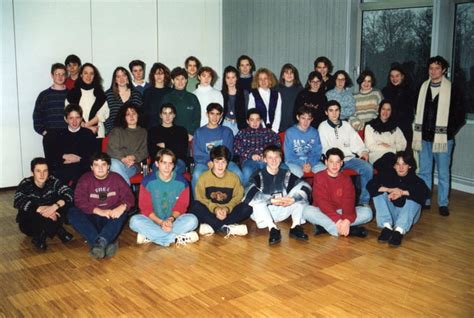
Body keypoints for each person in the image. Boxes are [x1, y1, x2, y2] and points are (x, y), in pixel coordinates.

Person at [413, 56, 465, 216]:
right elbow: (417, 111)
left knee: (443, 172)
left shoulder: (453, 89)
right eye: (431, 68)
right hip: (424, 138)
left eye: (437, 68)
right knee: (424, 172)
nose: (433, 71)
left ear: (443, 70)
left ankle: (443, 203)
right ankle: (426, 200)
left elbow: (460, 115)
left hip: (443, 140)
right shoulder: (422, 88)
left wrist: (447, 132)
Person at [69, 152, 135, 259]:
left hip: (111, 217)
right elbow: (79, 200)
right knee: (72, 212)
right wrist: (98, 211)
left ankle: (99, 244)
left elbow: (130, 197)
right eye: (96, 165)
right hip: (93, 216)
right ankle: (106, 242)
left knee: (123, 212)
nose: (100, 168)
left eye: (103, 165)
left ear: (108, 166)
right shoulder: (85, 179)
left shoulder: (116, 178)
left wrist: (122, 207)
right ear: (91, 167)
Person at [129, 149, 199, 246]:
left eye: (170, 163)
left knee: (193, 220)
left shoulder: (182, 182)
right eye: (164, 163)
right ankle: (174, 238)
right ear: (157, 164)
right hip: (153, 221)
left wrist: (170, 220)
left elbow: (181, 207)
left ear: (174, 165)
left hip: (173, 222)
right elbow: (145, 208)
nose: (167, 167)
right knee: (134, 221)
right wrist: (161, 222)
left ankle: (151, 236)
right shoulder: (147, 181)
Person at [244, 145, 311, 245]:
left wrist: (293, 199)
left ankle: (295, 226)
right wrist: (270, 200)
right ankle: (273, 229)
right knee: (257, 202)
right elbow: (247, 192)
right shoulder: (258, 175)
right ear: (264, 159)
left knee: (301, 194)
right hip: (265, 212)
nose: (273, 161)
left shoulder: (286, 173)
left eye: (276, 157)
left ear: (280, 159)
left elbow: (306, 186)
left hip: (283, 208)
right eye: (270, 158)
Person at [303, 148, 372, 237]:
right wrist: (338, 221)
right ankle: (348, 230)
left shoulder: (346, 179)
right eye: (331, 162)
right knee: (307, 211)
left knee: (368, 212)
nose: (334, 165)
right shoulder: (319, 177)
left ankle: (326, 227)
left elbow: (349, 201)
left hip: (341, 212)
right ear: (326, 162)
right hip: (324, 212)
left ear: (342, 163)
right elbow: (322, 202)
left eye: (337, 162)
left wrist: (347, 220)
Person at [367, 151, 430, 247]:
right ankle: (387, 227)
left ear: (409, 166)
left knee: (415, 197)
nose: (400, 168)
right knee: (378, 193)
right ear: (394, 166)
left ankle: (399, 231)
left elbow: (426, 193)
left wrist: (402, 192)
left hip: (408, 215)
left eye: (404, 164)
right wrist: (390, 190)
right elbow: (370, 185)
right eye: (398, 164)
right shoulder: (388, 175)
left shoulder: (415, 179)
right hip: (392, 213)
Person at [318, 100, 373, 206]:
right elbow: (324, 148)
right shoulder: (323, 127)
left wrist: (363, 151)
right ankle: (336, 203)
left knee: (367, 168)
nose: (334, 113)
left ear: (340, 111)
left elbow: (356, 142)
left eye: (336, 110)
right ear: (326, 112)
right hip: (334, 161)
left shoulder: (347, 125)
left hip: (349, 159)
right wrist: (336, 160)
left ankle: (364, 201)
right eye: (331, 110)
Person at [13, 158, 74, 251]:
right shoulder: (25, 184)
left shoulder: (53, 181)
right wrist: (42, 209)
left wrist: (54, 207)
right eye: (38, 171)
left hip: (52, 216)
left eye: (45, 171)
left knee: (64, 203)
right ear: (32, 173)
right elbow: (18, 201)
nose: (42, 174)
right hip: (29, 224)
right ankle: (59, 230)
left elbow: (69, 193)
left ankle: (41, 237)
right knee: (31, 210)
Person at [191, 146, 252, 237]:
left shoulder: (234, 178)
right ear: (212, 163)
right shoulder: (203, 177)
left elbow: (238, 198)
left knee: (247, 208)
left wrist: (226, 209)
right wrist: (215, 209)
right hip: (211, 211)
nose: (220, 166)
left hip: (228, 211)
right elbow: (200, 198)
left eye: (223, 162)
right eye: (217, 162)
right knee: (195, 206)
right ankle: (226, 226)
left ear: (227, 163)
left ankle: (212, 226)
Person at [191, 103, 243, 191]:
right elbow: (197, 153)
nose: (215, 117)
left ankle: (240, 200)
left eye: (218, 114)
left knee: (238, 173)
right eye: (212, 113)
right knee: (196, 175)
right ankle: (197, 203)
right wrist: (209, 161)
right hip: (205, 163)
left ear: (221, 115)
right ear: (207, 114)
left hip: (224, 162)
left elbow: (228, 152)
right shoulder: (199, 132)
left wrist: (217, 162)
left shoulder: (227, 132)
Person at [50, 104, 97, 187]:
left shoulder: (88, 134)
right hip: (64, 168)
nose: (74, 121)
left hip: (82, 168)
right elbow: (53, 156)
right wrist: (64, 156)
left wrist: (79, 159)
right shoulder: (59, 135)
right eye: (71, 118)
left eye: (77, 117)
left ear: (81, 118)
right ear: (66, 119)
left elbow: (94, 156)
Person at [234, 109, 281, 185]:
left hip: (267, 160)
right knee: (247, 171)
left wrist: (267, 155)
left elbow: (277, 144)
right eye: (252, 120)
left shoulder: (268, 132)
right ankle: (246, 193)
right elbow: (236, 147)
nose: (255, 123)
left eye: (257, 120)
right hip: (249, 161)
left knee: (283, 169)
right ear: (247, 121)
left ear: (261, 121)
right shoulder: (242, 133)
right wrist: (251, 155)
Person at [33, 63, 69, 163]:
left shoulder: (71, 94)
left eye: (63, 74)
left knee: (68, 165)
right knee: (52, 165)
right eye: (57, 74)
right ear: (52, 75)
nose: (60, 77)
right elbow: (37, 115)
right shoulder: (44, 95)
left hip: (68, 134)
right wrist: (44, 132)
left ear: (66, 76)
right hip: (50, 135)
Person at [107, 103, 148, 185]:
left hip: (132, 166)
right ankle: (127, 194)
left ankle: (124, 195)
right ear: (124, 117)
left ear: (138, 115)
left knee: (114, 173)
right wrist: (123, 159)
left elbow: (145, 151)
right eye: (128, 114)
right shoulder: (117, 131)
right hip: (117, 162)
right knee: (114, 164)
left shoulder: (143, 132)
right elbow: (111, 149)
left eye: (133, 113)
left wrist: (134, 157)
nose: (131, 116)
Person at [65, 63, 109, 139]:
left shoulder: (100, 93)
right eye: (85, 73)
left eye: (91, 73)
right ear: (81, 75)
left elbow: (102, 113)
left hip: (97, 131)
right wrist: (86, 127)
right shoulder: (72, 93)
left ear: (94, 76)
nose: (88, 76)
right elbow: (68, 114)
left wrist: (86, 125)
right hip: (77, 132)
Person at [364, 100, 407, 172]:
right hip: (376, 156)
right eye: (383, 109)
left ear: (391, 112)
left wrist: (385, 146)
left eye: (388, 110)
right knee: (389, 161)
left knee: (391, 160)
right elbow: (370, 147)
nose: (385, 112)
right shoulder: (370, 126)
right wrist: (391, 148)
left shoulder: (395, 128)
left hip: (393, 156)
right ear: (379, 109)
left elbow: (403, 144)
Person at [161, 67, 201, 140]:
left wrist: (191, 133)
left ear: (186, 80)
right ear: (172, 81)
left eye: (182, 79)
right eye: (177, 79)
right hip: (171, 136)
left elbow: (197, 118)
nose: (180, 82)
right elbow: (162, 118)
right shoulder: (167, 98)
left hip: (189, 137)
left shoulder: (192, 98)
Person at [148, 104, 188, 175]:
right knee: (161, 172)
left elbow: (182, 151)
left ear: (174, 115)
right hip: (159, 161)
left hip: (177, 161)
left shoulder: (181, 131)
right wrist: (173, 146)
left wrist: (165, 145)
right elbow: (152, 151)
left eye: (170, 113)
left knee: (171, 172)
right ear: (160, 115)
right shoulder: (153, 131)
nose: (167, 116)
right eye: (164, 113)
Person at [284, 106, 324, 178]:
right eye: (303, 118)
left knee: (324, 171)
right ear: (297, 117)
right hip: (294, 162)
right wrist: (302, 164)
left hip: (311, 162)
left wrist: (310, 164)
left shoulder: (314, 132)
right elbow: (289, 155)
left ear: (312, 119)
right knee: (296, 173)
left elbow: (317, 153)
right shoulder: (290, 132)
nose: (306, 122)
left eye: (309, 119)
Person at [382, 64, 416, 147]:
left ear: (402, 76)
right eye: (392, 76)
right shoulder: (385, 91)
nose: (394, 79)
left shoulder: (410, 91)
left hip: (404, 128)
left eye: (397, 76)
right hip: (389, 127)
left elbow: (411, 113)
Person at [104, 67, 143, 135]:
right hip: (115, 134)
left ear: (127, 78)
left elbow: (140, 116)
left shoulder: (136, 95)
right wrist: (111, 132)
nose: (121, 79)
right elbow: (105, 117)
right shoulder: (108, 95)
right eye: (118, 76)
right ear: (115, 80)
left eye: (124, 75)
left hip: (134, 134)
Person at [247, 68, 282, 133]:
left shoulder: (277, 94)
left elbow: (278, 113)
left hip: (273, 129)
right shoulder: (253, 94)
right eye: (260, 79)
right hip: (258, 129)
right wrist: (262, 128)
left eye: (265, 78)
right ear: (257, 81)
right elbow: (252, 114)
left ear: (270, 80)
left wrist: (274, 130)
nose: (263, 81)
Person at [142, 62, 172, 129]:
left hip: (168, 128)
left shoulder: (171, 92)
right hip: (151, 128)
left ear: (165, 75)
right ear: (153, 75)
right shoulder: (147, 92)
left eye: (161, 74)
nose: (159, 76)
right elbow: (144, 114)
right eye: (156, 74)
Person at [277, 63, 303, 132]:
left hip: (295, 125)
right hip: (279, 125)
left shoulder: (300, 90)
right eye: (286, 73)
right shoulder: (276, 90)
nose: (289, 75)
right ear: (282, 75)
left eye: (291, 73)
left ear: (295, 75)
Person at [221, 66, 248, 134]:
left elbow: (246, 111)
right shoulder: (220, 94)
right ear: (225, 79)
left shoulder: (244, 93)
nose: (231, 80)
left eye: (233, 77)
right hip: (224, 124)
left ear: (237, 78)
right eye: (228, 77)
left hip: (239, 125)